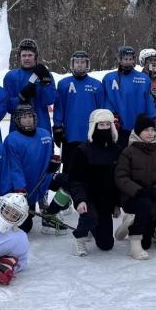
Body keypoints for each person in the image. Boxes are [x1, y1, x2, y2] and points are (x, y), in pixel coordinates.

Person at [113, 114, 156, 260]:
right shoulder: (128, 152)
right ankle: (135, 243)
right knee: (144, 204)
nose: (150, 133)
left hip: (153, 195)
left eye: (152, 130)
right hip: (132, 196)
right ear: (138, 131)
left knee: (147, 243)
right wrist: (137, 190)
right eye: (146, 130)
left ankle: (130, 223)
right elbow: (121, 177)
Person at [64, 108, 123, 256]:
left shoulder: (116, 150)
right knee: (89, 217)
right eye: (101, 125)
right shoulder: (82, 150)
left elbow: (117, 180)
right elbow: (75, 180)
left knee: (106, 244)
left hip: (105, 202)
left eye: (107, 124)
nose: (105, 128)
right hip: (88, 199)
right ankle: (80, 238)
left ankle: (93, 226)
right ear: (93, 126)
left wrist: (116, 204)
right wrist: (80, 200)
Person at [0, 103, 62, 232]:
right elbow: (14, 168)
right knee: (25, 227)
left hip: (42, 180)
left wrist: (53, 163)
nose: (28, 120)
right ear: (17, 120)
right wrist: (20, 189)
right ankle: (28, 208)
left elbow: (50, 155)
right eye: (24, 117)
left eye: (30, 116)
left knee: (68, 182)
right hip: (22, 188)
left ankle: (49, 214)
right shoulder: (11, 140)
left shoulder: (45, 134)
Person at [102, 45, 156, 148]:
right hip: (118, 127)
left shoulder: (144, 79)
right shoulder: (109, 78)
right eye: (125, 59)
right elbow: (106, 100)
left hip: (138, 128)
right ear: (119, 60)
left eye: (130, 59)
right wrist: (111, 116)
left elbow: (149, 101)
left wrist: (151, 119)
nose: (128, 62)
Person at [53, 50, 104, 158]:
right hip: (70, 135)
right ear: (72, 64)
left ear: (87, 64)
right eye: (77, 62)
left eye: (82, 62)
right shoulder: (63, 84)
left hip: (91, 135)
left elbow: (101, 110)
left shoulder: (97, 85)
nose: (79, 65)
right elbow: (59, 108)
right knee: (70, 166)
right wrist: (57, 127)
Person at [3, 38, 57, 133]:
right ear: (19, 57)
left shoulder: (44, 74)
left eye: (30, 55)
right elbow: (8, 107)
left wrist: (46, 82)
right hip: (18, 130)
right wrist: (21, 97)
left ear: (35, 56)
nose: (27, 58)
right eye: (24, 55)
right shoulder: (10, 77)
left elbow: (50, 100)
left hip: (41, 127)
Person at [138, 48, 156, 126]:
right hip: (144, 121)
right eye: (150, 60)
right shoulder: (138, 79)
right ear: (143, 62)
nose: (153, 62)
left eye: (155, 60)